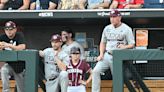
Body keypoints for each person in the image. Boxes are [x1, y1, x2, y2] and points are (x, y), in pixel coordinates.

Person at [92, 9, 135, 92]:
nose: (112, 19)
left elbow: (132, 44)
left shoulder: (126, 29)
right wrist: (101, 54)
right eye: (111, 17)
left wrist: (124, 47)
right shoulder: (107, 28)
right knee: (95, 71)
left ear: (119, 17)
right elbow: (103, 42)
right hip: (107, 55)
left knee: (117, 78)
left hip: (118, 57)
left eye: (114, 17)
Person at [0, 21, 26, 92]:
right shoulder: (2, 37)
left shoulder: (19, 35)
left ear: (15, 29)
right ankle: (6, 91)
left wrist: (8, 45)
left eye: (11, 29)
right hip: (10, 64)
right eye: (7, 29)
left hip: (20, 66)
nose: (9, 31)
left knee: (21, 89)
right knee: (3, 70)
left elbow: (22, 47)